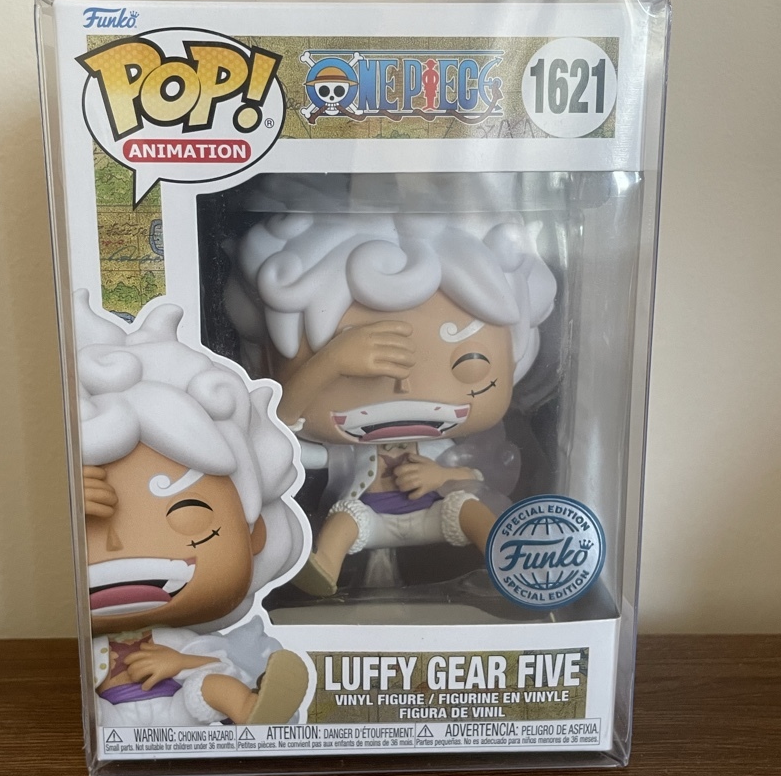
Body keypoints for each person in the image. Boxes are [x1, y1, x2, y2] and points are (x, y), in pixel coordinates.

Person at [226, 207, 556, 596]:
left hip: (437, 513)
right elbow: (279, 430)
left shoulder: (455, 448)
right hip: (368, 519)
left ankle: (506, 558)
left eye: (469, 365)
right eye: (349, 377)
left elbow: (477, 476)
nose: (404, 388)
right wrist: (330, 363)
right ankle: (324, 566)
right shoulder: (339, 453)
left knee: (469, 508)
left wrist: (440, 477)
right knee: (343, 523)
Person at [74, 290, 310, 725]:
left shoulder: (179, 640)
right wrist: (63, 510)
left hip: (182, 713)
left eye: (186, 512)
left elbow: (214, 661)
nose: (117, 544)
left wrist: (177, 663)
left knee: (212, 684)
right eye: (84, 530)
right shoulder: (89, 651)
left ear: (254, 532)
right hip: (112, 724)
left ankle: (253, 711)